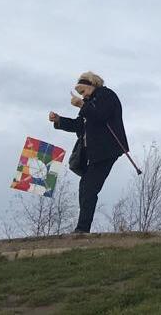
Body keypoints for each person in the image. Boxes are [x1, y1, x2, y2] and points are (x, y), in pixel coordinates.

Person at [48, 71, 129, 234]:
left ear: (92, 85)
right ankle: (82, 228)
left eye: (83, 92)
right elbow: (79, 125)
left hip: (106, 150)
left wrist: (81, 105)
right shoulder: (89, 103)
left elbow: (100, 116)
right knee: (86, 187)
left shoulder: (107, 95)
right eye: (80, 94)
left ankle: (82, 229)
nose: (82, 96)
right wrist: (59, 120)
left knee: (88, 188)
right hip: (95, 153)